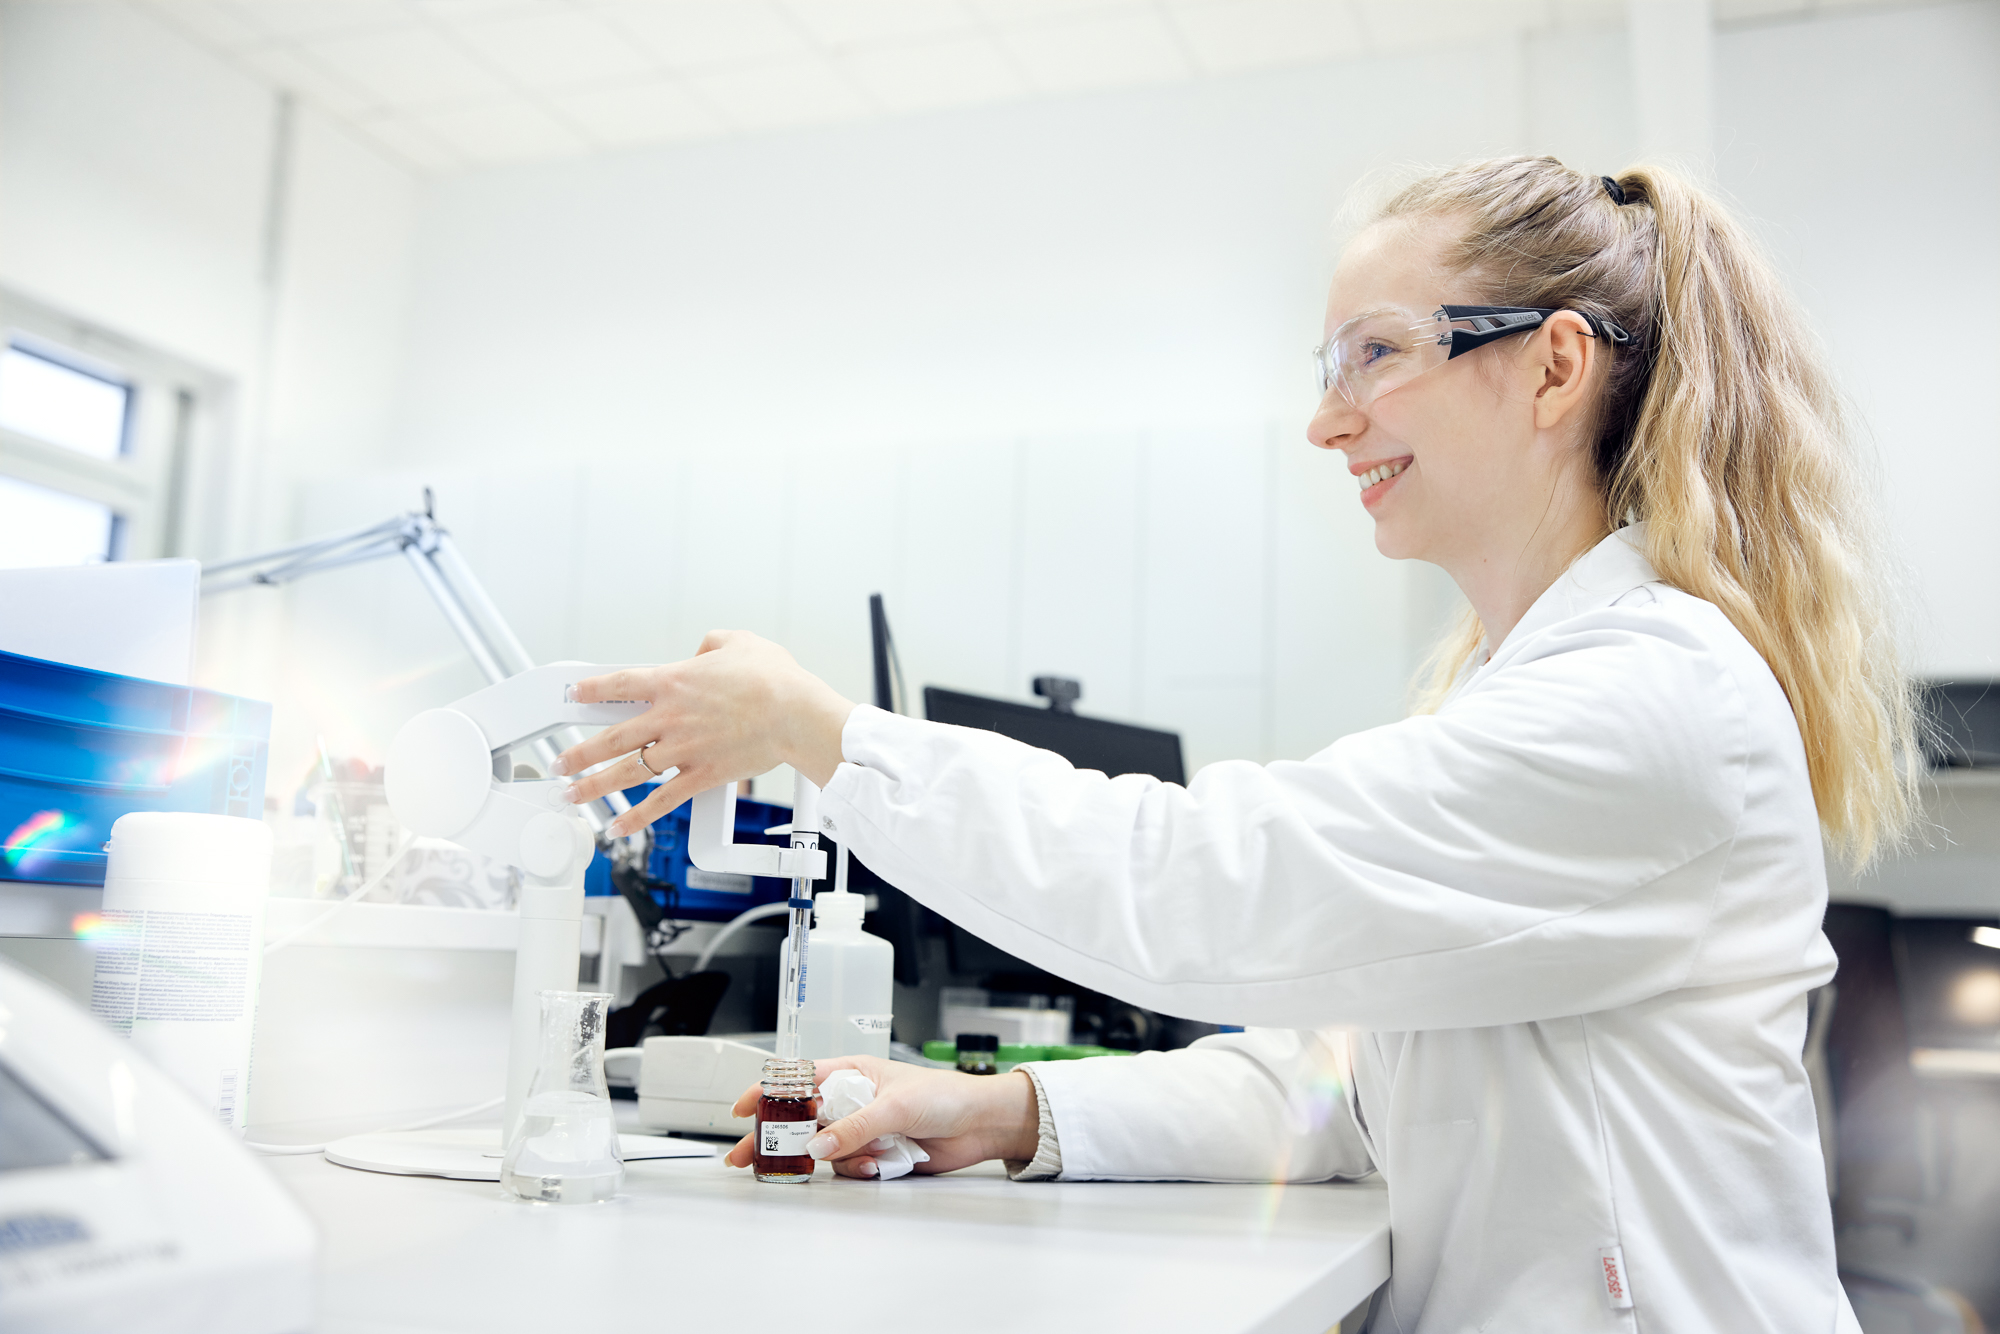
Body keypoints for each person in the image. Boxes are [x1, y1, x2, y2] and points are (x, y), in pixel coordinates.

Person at [552, 157, 1913, 1332]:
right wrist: (1018, 1111)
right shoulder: (1530, 697)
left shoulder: (1651, 704)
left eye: (1376, 354)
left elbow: (1200, 879)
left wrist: (821, 732)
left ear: (1553, 364)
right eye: (1328, 370)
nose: (1329, 420)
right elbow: (1341, 1085)